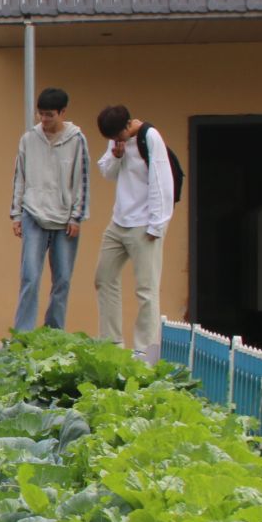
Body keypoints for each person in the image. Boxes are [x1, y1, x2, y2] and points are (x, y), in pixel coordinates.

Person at [93, 104, 174, 362]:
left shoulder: (149, 137)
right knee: (104, 278)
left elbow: (162, 181)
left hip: (145, 224)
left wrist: (156, 224)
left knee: (146, 289)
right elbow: (107, 173)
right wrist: (116, 155)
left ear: (128, 124)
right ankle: (112, 343)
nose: (117, 140)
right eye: (111, 138)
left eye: (119, 135)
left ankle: (146, 352)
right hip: (119, 221)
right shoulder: (116, 140)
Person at [10, 88, 89, 333]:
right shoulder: (28, 139)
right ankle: (23, 333)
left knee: (62, 279)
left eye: (50, 115)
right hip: (33, 214)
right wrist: (16, 214)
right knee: (30, 276)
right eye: (41, 114)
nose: (44, 119)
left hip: (65, 219)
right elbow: (19, 177)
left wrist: (77, 216)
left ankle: (54, 331)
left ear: (62, 112)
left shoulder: (76, 139)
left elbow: (82, 179)